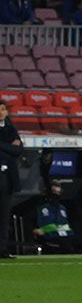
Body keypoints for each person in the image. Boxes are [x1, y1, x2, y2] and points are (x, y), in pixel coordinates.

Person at [33, 181, 82, 253]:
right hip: (52, 236)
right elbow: (45, 227)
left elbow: (65, 226)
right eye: (54, 192)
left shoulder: (62, 208)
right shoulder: (42, 208)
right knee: (66, 246)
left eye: (58, 192)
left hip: (66, 235)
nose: (56, 195)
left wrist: (61, 228)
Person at [0, 100, 22, 258]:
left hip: (7, 178)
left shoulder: (10, 128)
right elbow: (12, 150)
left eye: (3, 109)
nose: (1, 112)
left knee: (4, 216)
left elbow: (18, 150)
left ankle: (2, 249)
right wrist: (9, 147)